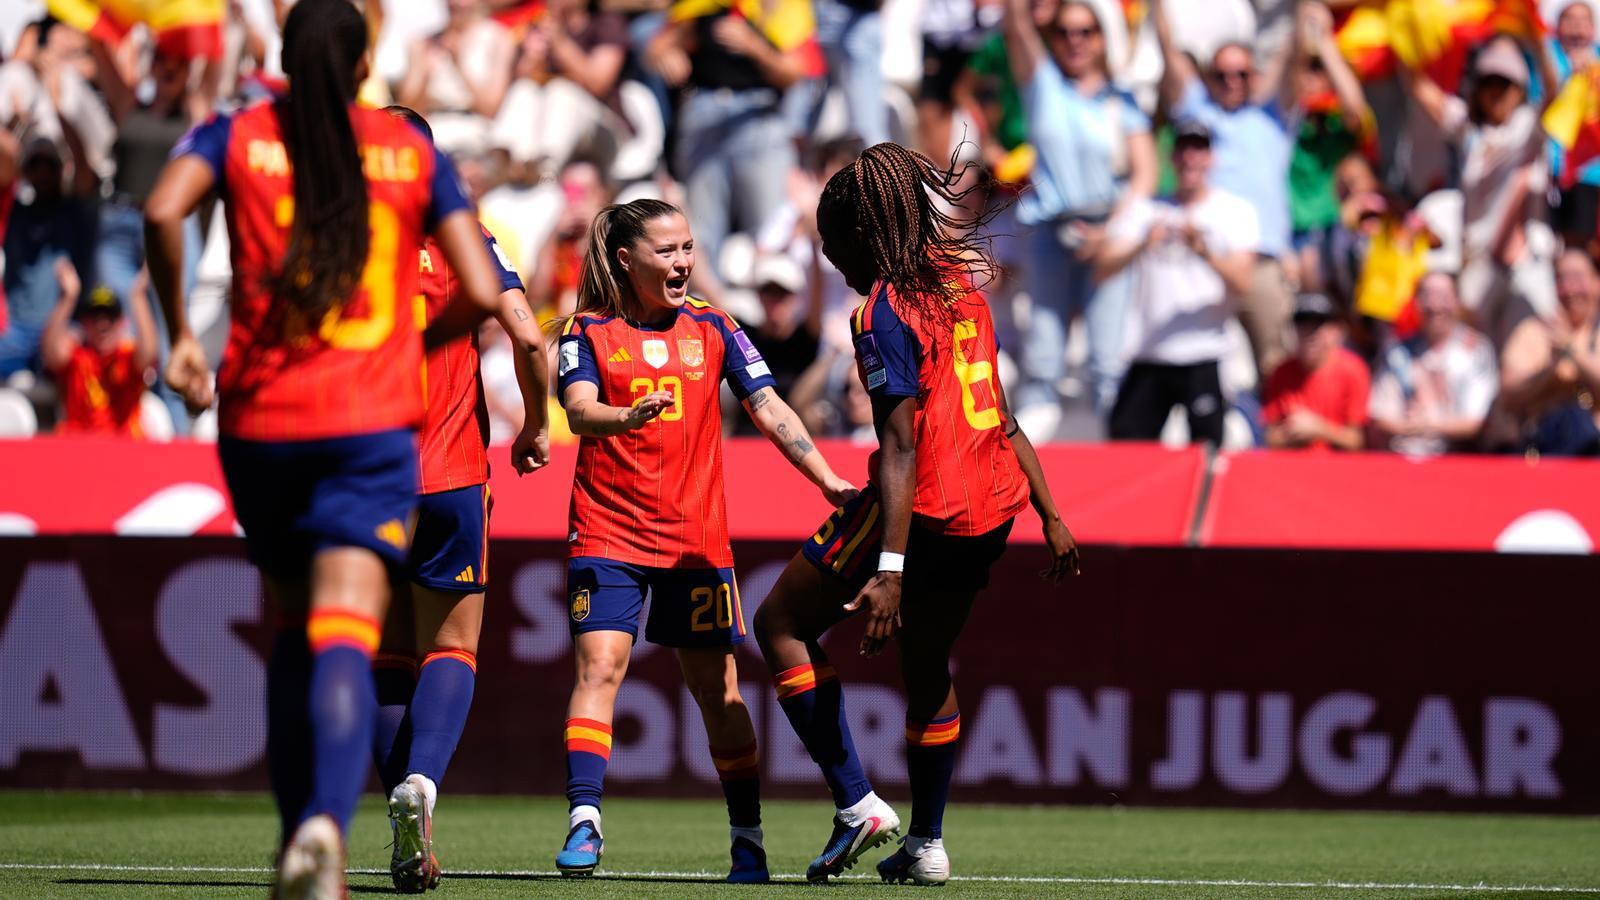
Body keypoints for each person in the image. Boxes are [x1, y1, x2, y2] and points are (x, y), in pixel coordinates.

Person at [141, 1, 544, 895]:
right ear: (368, 64)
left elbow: (163, 210)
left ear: (282, 57)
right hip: (367, 427)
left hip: (258, 419)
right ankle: (327, 831)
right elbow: (483, 289)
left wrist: (178, 336)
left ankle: (304, 829)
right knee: (345, 632)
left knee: (296, 630)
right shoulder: (407, 155)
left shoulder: (238, 132)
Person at [752, 143, 1079, 886]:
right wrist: (1050, 511)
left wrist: (890, 571)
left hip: (924, 510)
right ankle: (927, 844)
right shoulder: (962, 289)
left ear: (864, 235)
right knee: (927, 665)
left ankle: (856, 803)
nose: (831, 259)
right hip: (993, 510)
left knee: (778, 625)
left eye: (833, 243)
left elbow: (899, 446)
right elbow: (1000, 411)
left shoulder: (883, 313)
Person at [551, 197, 854, 882]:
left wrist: (825, 478)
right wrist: (627, 414)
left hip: (695, 542)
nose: (683, 262)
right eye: (667, 251)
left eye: (688, 248)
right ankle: (585, 821)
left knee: (717, 694)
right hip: (608, 532)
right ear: (627, 260)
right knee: (599, 670)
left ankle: (747, 840)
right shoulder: (587, 331)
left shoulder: (716, 327)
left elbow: (770, 407)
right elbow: (578, 410)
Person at [367, 106, 551, 894]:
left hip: (363, 477)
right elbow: (531, 338)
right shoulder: (466, 237)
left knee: (382, 657)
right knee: (452, 648)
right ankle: (424, 789)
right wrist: (537, 423)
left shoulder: (345, 241)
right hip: (448, 475)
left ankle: (404, 821)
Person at [1001, 0, 1155, 427]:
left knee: (1107, 354)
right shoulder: (1043, 84)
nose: (1075, 41)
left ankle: (1114, 444)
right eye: (1066, 32)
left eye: (1086, 31)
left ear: (1101, 39)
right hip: (1051, 229)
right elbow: (1015, 26)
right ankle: (1034, 451)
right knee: (1044, 350)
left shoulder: (1120, 99)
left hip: (1107, 226)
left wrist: (1112, 233)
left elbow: (1145, 174)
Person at [1154, 0, 1301, 384]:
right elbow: (1167, 49)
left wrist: (1301, 10)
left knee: (1277, 368)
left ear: (1254, 75)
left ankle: (1275, 445)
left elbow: (1294, 56)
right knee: (1190, 367)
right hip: (1201, 257)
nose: (1232, 81)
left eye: (1241, 73)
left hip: (1263, 261)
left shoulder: (1272, 115)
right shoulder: (1197, 113)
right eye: (1221, 74)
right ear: (1209, 77)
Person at [1097, 120, 1257, 446]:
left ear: (1212, 158)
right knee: (1125, 444)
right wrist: (1141, 244)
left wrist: (1204, 251)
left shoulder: (1234, 211)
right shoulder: (1147, 211)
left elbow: (1243, 281)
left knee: (1209, 450)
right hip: (1150, 350)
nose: (1190, 159)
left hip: (1205, 350)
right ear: (1172, 157)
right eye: (1183, 149)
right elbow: (1101, 268)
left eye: (1198, 150)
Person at [1404, 32, 1560, 348]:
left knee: (1534, 347)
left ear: (1519, 89)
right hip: (1478, 261)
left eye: (1504, 84)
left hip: (1526, 261)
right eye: (1489, 83)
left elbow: (1556, 93)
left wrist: (1538, 39)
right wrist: (1401, 37)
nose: (1496, 92)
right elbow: (1423, 91)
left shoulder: (1531, 125)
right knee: (1476, 350)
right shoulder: (1468, 129)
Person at [1368, 271, 1498, 456]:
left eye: (1444, 296)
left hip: (1458, 461)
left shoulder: (1476, 350)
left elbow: (1474, 423)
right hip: (1402, 459)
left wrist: (1425, 424)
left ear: (1457, 301)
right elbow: (1381, 417)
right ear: (1416, 303)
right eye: (1427, 296)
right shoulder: (1397, 352)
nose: (1435, 306)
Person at [1492, 246, 1600, 455]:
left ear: (1597, 282)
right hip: (1543, 448)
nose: (1570, 289)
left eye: (1578, 278)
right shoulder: (1532, 331)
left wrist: (1571, 352)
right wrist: (1549, 371)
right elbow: (1508, 394)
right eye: (1561, 279)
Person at [41, 260, 157, 436]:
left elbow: (148, 352)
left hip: (123, 448)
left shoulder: (127, 356)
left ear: (121, 323)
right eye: (95, 317)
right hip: (76, 448)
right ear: (84, 323)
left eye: (110, 317)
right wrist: (68, 297)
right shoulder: (77, 355)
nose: (102, 325)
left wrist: (138, 295)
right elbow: (50, 352)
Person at [1262, 292, 1370, 451]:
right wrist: (1293, 433)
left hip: (1339, 469)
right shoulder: (1281, 372)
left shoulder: (1353, 370)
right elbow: (1269, 437)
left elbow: (1359, 441)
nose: (1310, 334)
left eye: (1318, 326)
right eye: (1303, 325)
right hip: (1292, 466)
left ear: (1337, 331)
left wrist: (1319, 429)